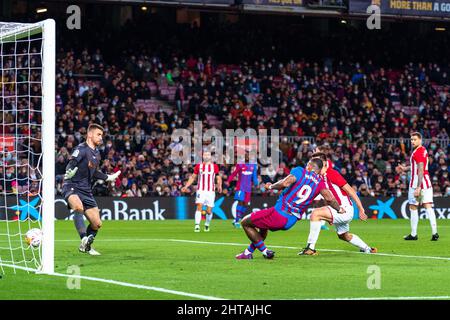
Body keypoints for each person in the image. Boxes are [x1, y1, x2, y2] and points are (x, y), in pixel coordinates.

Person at [235, 158, 343, 260]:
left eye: (307, 164)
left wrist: (271, 186)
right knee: (263, 227)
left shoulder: (300, 171)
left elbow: (285, 183)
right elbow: (330, 199)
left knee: (245, 222)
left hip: (279, 213)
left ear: (310, 166)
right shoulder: (320, 183)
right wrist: (339, 209)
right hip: (291, 221)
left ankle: (265, 251)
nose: (306, 166)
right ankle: (248, 253)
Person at [299, 152, 377, 255]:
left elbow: (351, 191)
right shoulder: (318, 177)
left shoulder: (332, 174)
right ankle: (368, 249)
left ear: (324, 163)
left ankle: (310, 248)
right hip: (337, 209)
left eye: (316, 161)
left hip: (344, 209)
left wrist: (361, 208)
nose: (314, 164)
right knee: (344, 236)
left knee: (315, 214)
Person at [62, 124, 121, 255]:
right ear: (90, 135)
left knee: (97, 224)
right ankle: (83, 238)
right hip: (72, 185)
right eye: (98, 135)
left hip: (86, 190)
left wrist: (108, 177)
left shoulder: (97, 153)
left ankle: (85, 247)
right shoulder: (81, 149)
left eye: (102, 135)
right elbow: (71, 164)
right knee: (78, 207)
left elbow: (94, 172)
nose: (101, 138)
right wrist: (69, 172)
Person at [396, 132, 438, 241]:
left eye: (414, 139)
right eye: (411, 139)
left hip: (416, 184)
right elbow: (417, 166)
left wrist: (418, 187)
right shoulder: (423, 150)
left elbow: (420, 169)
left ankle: (414, 234)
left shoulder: (418, 152)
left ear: (420, 140)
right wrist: (405, 168)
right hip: (427, 182)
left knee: (413, 207)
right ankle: (435, 233)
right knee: (428, 206)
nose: (412, 141)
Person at [181, 150, 222, 232]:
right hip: (201, 190)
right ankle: (197, 225)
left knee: (209, 211)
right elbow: (193, 177)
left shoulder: (215, 166)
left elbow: (218, 177)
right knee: (199, 206)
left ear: (210, 157)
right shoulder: (198, 166)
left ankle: (207, 224)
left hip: (211, 191)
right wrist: (186, 186)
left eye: (208, 155)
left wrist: (219, 185)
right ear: (203, 156)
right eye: (205, 155)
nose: (206, 156)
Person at [226, 154, 258, 228]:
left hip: (248, 188)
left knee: (246, 204)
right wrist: (228, 181)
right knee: (240, 202)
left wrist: (256, 183)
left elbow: (254, 176)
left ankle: (237, 219)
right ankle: (237, 221)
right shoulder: (240, 165)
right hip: (240, 187)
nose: (247, 157)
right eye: (246, 156)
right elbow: (234, 173)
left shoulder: (253, 166)